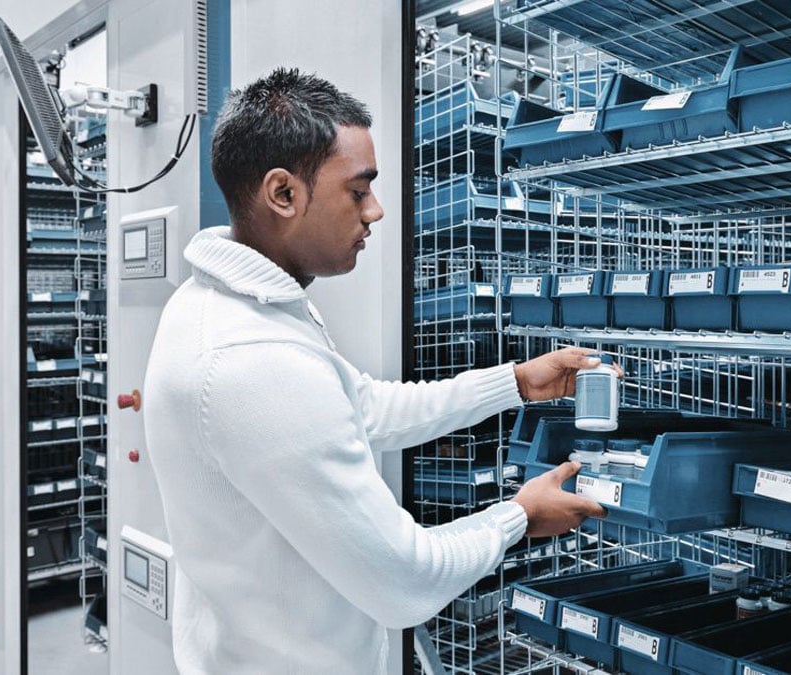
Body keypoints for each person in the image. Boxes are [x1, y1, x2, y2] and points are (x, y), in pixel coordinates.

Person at [142, 67, 612, 674]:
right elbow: (402, 579)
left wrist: (515, 382)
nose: (377, 211)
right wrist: (518, 517)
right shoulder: (252, 359)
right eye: (358, 190)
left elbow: (360, 408)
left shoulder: (228, 303)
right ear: (282, 194)